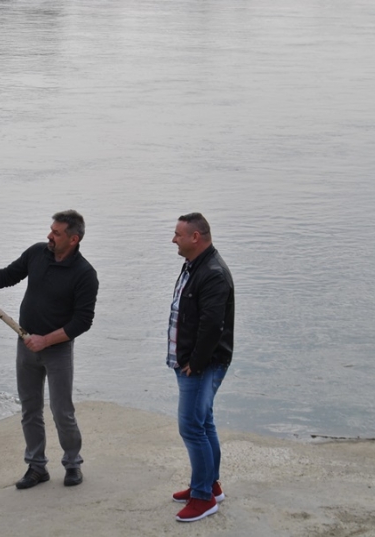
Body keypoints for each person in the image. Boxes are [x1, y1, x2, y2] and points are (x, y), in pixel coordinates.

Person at [0, 210, 99, 489]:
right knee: (30, 409)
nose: (49, 236)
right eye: (51, 230)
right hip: (25, 343)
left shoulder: (85, 274)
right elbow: (7, 276)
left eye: (56, 233)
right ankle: (36, 467)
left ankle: (72, 464)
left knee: (62, 411)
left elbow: (82, 322)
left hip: (57, 350)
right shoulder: (37, 253)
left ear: (73, 239)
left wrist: (46, 340)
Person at [167, 212, 234, 522]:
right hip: (193, 362)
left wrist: (195, 362)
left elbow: (212, 325)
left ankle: (203, 497)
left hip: (201, 365)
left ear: (195, 237)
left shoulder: (212, 273)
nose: (173, 240)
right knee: (204, 423)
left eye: (178, 234)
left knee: (192, 427)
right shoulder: (195, 265)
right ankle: (209, 485)